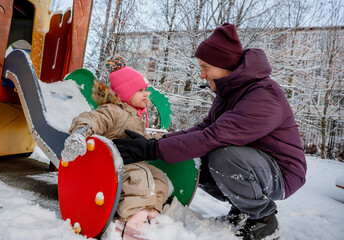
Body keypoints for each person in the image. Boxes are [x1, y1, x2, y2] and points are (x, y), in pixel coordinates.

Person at [113, 23, 307, 240]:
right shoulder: (231, 93)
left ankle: (263, 219)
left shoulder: (263, 94)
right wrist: (157, 140)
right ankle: (241, 210)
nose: (201, 75)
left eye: (205, 67)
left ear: (224, 65)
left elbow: (214, 137)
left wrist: (152, 149)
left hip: (283, 172)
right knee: (195, 161)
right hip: (256, 164)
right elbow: (203, 129)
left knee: (221, 156)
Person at [61, 56, 169, 239]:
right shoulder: (112, 111)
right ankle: (130, 224)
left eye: (146, 90)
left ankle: (148, 212)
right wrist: (80, 132)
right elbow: (92, 119)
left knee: (159, 178)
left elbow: (142, 138)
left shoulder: (135, 116)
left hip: (133, 162)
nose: (146, 94)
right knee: (140, 176)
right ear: (126, 92)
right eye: (141, 90)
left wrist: (162, 139)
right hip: (113, 165)